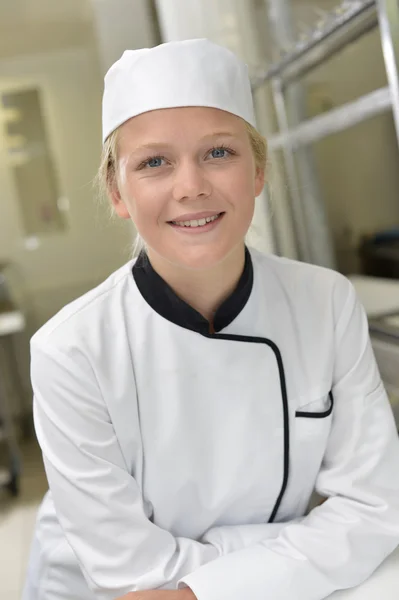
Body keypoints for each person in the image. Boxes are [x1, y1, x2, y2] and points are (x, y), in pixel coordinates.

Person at [23, 39, 399, 600]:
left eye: (219, 153)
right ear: (116, 191)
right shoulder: (70, 351)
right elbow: (131, 571)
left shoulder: (326, 302)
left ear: (258, 171)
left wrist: (206, 588)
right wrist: (304, 544)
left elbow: (378, 509)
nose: (191, 186)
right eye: (154, 162)